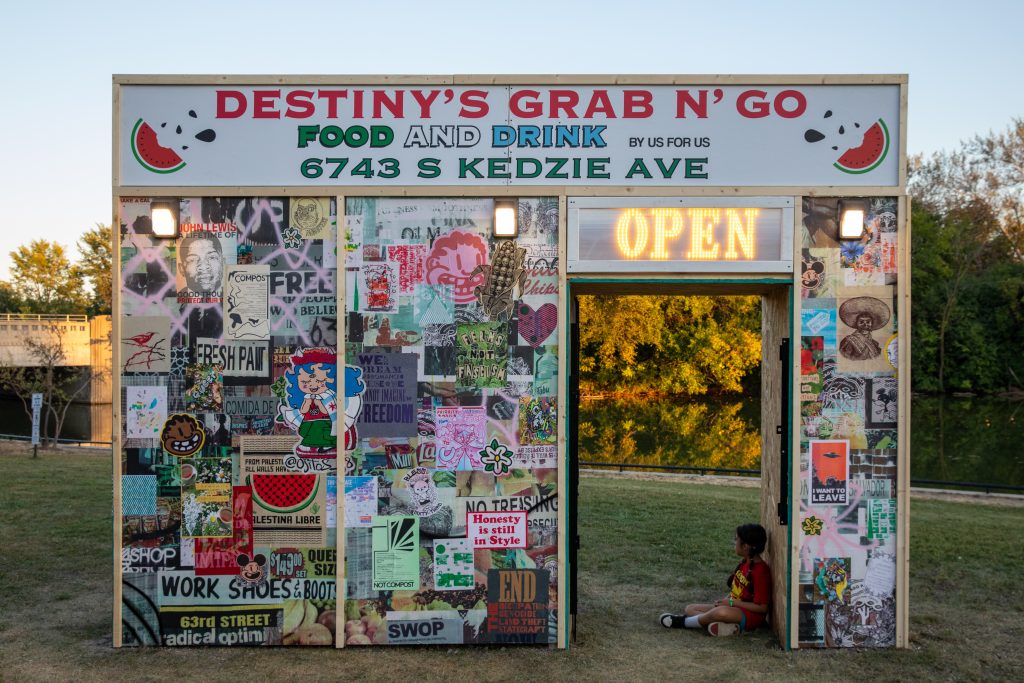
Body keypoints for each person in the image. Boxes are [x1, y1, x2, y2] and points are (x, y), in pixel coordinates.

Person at [660, 523, 771, 637]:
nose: (734, 543)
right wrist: (726, 601)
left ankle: (683, 622)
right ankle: (726, 627)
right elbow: (738, 591)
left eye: (736, 540)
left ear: (746, 546)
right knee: (690, 608)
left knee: (720, 612)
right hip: (733, 608)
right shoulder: (745, 562)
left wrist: (731, 603)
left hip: (749, 616)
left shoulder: (761, 571)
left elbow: (762, 608)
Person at [177, 231, 225, 302]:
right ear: (181, 269)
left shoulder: (234, 296)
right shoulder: (173, 300)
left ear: (223, 263)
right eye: (193, 260)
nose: (203, 267)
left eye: (212, 257)